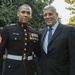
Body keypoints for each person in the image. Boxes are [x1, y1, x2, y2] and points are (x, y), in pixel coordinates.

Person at [0, 4, 41, 75]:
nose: (25, 15)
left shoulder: (35, 33)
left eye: (28, 13)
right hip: (12, 69)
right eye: (23, 12)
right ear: (18, 14)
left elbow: (38, 54)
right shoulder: (8, 29)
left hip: (29, 69)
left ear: (31, 16)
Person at [40, 5, 75, 75]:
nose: (47, 17)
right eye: (45, 15)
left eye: (50, 14)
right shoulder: (41, 32)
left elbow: (73, 56)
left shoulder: (68, 31)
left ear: (56, 15)